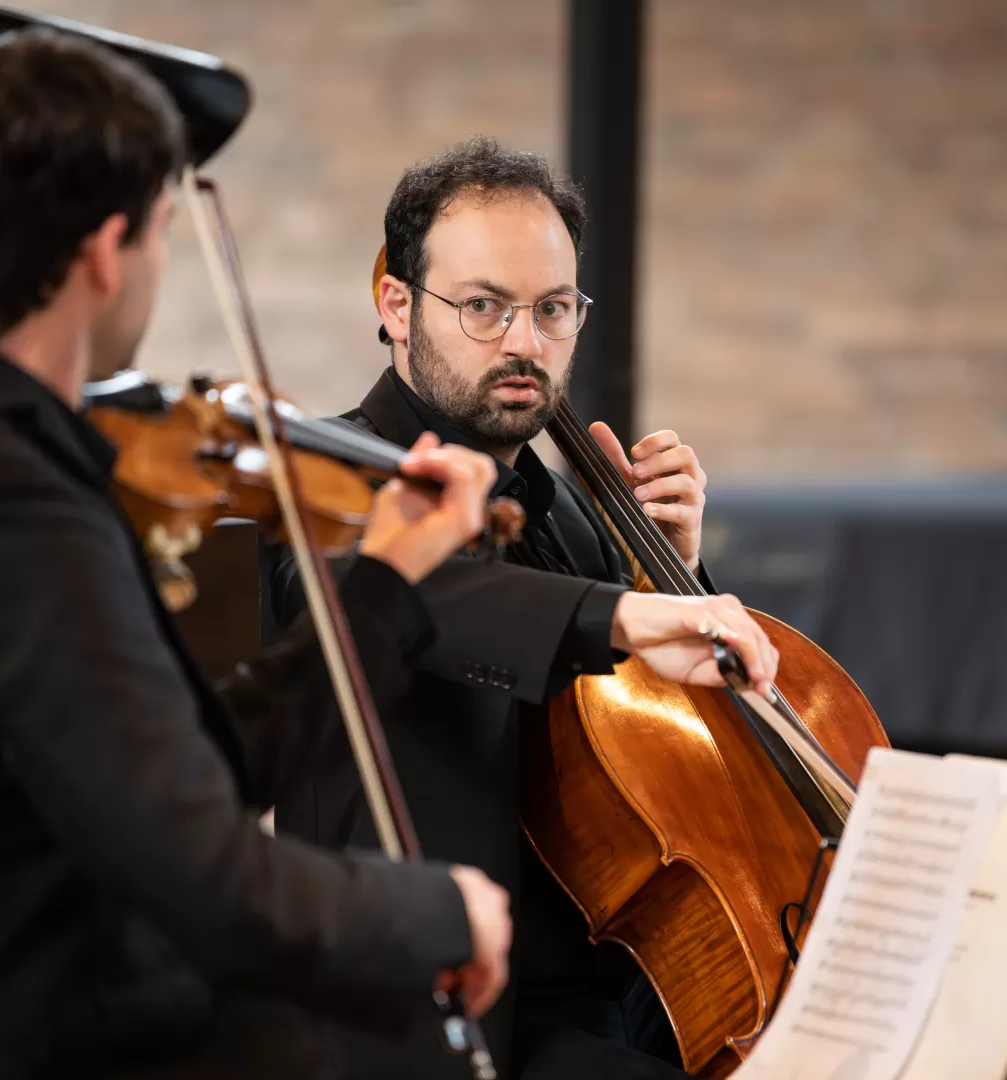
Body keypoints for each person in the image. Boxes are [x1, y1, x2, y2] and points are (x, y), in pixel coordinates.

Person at [0, 30, 513, 1080]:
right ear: (107, 252)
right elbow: (206, 878)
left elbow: (187, 771)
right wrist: (440, 911)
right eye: (161, 231)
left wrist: (385, 583)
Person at [264, 137, 780, 1079]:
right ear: (397, 307)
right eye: (483, 307)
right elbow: (430, 599)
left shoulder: (577, 521)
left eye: (552, 309)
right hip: (442, 1022)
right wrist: (626, 615)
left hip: (629, 995)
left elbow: (675, 767)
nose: (525, 344)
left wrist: (674, 574)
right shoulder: (325, 480)